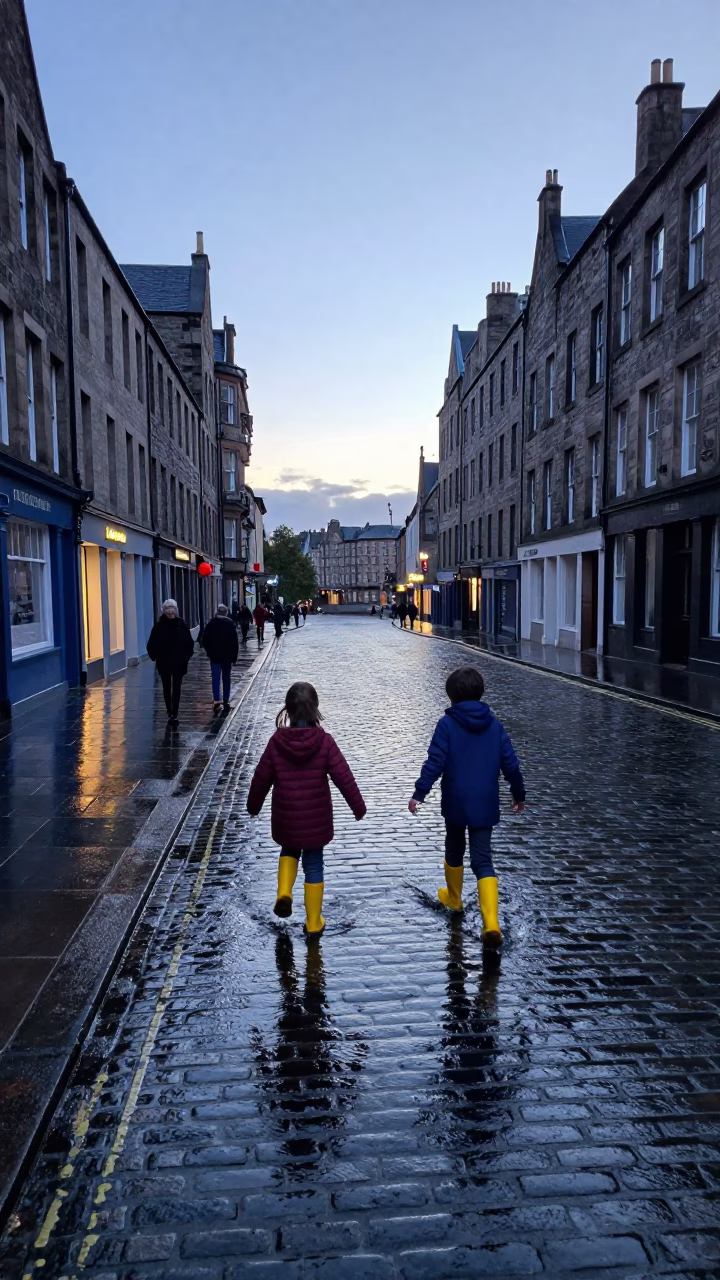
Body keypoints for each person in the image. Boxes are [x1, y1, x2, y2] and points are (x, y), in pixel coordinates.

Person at [408, 665, 525, 950]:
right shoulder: (494, 725)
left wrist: (419, 793)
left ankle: (454, 898)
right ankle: (491, 923)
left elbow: (434, 761)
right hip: (485, 801)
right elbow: (510, 762)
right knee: (483, 859)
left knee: (454, 848)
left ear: (451, 697)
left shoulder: (446, 725)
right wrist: (518, 792)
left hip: (456, 801)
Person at [247, 681, 366, 935]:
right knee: (314, 863)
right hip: (316, 821)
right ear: (315, 710)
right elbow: (344, 776)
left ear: (287, 711)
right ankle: (313, 922)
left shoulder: (276, 742)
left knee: (289, 850)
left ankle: (284, 892)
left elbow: (261, 778)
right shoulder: (324, 742)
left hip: (286, 817)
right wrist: (358, 807)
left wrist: (253, 805)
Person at [146, 599, 195, 726]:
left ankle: (175, 713)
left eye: (172, 608)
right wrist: (155, 656)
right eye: (168, 608)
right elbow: (152, 644)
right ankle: (169, 711)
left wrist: (186, 657)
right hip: (164, 662)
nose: (170, 611)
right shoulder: (159, 625)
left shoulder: (181, 624)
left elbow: (189, 643)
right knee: (166, 687)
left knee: (177, 687)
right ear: (164, 610)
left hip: (179, 662)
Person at [201, 603, 239, 712]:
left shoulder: (212, 623)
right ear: (226, 613)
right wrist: (234, 656)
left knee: (215, 678)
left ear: (217, 612)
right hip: (227, 657)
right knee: (226, 678)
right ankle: (226, 699)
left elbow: (205, 639)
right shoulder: (230, 624)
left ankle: (216, 699)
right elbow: (235, 642)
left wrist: (209, 651)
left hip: (215, 657)